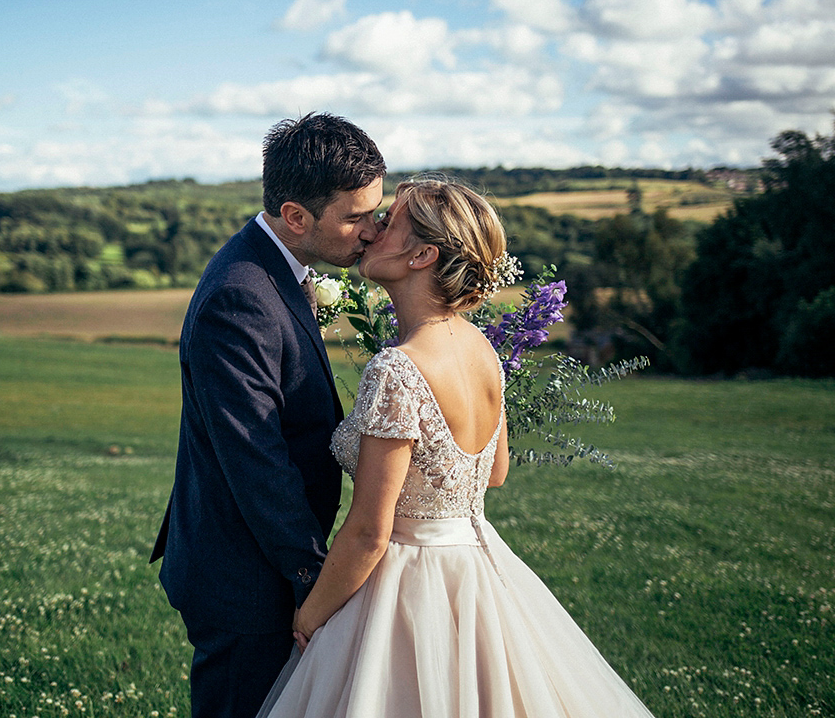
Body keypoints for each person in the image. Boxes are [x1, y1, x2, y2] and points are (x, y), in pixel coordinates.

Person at [257, 175, 656, 717]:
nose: (371, 233)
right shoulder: (482, 350)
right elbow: (494, 472)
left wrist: (309, 618)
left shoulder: (398, 368)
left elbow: (371, 532)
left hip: (404, 585)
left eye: (389, 223)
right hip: (478, 571)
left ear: (422, 254)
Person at [150, 113, 387, 718]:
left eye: (375, 211)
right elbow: (258, 462)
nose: (371, 230)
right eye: (355, 217)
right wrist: (317, 582)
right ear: (297, 216)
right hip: (246, 581)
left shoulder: (277, 268)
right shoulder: (241, 296)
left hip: (262, 567)